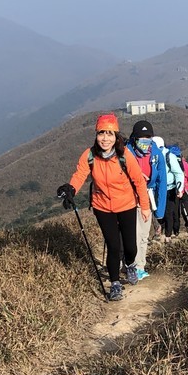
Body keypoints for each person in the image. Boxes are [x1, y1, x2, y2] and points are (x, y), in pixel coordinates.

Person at [57, 113, 151, 301]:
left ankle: (130, 264)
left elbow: (139, 181)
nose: (105, 138)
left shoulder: (124, 155)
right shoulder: (90, 155)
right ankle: (115, 284)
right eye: (101, 133)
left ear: (116, 135)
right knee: (114, 246)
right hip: (102, 207)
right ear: (96, 134)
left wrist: (145, 206)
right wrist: (71, 189)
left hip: (126, 205)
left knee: (131, 247)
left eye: (109, 134)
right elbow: (80, 174)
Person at [126, 119, 167, 276]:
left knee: (143, 235)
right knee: (134, 235)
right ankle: (132, 265)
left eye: (148, 137)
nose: (145, 141)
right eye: (142, 138)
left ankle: (140, 267)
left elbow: (162, 181)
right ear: (134, 138)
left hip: (147, 198)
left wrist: (160, 211)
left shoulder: (157, 155)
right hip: (129, 197)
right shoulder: (126, 152)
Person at [154, 136, 186, 239]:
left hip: (169, 188)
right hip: (156, 189)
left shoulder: (169, 156)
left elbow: (178, 173)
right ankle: (163, 233)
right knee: (158, 211)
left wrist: (179, 189)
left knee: (168, 212)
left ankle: (167, 235)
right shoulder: (153, 155)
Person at [170, 143, 188, 232]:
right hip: (174, 191)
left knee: (183, 209)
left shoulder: (184, 165)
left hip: (185, 190)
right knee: (175, 212)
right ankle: (176, 230)